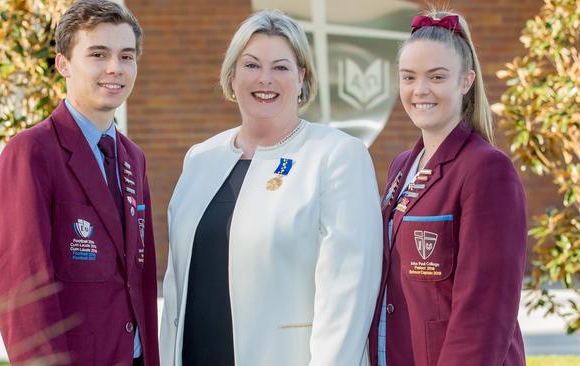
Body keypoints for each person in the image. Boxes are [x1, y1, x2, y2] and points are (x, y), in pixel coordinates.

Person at [159, 9, 383, 366]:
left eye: (280, 67)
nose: (265, 79)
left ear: (301, 77)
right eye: (251, 65)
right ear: (232, 75)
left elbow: (348, 297)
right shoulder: (201, 159)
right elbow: (174, 288)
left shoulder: (337, 156)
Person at [0, 1, 159, 365]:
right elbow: (23, 289)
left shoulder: (134, 158)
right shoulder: (31, 152)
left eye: (126, 56)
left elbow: (140, 278)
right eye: (98, 54)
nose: (115, 68)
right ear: (63, 63)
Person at [368, 8, 527, 366]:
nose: (419, 90)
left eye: (436, 77)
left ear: (466, 81)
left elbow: (485, 311)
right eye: (408, 77)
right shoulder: (400, 167)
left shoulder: (487, 169)